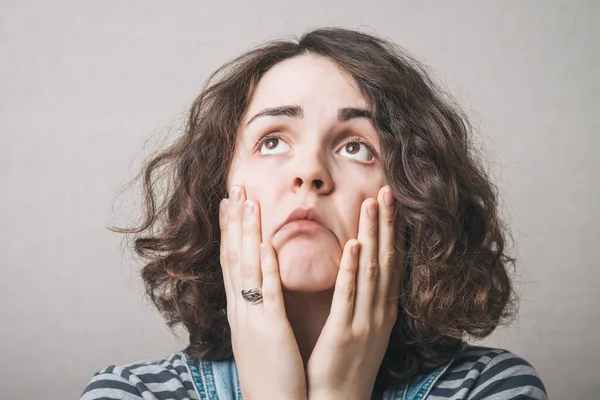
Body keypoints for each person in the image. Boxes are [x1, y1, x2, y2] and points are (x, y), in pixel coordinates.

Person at [80, 27, 548, 400]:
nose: (310, 173)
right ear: (218, 189)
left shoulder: (489, 388)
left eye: (355, 147)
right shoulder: (128, 393)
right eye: (272, 141)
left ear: (411, 195)